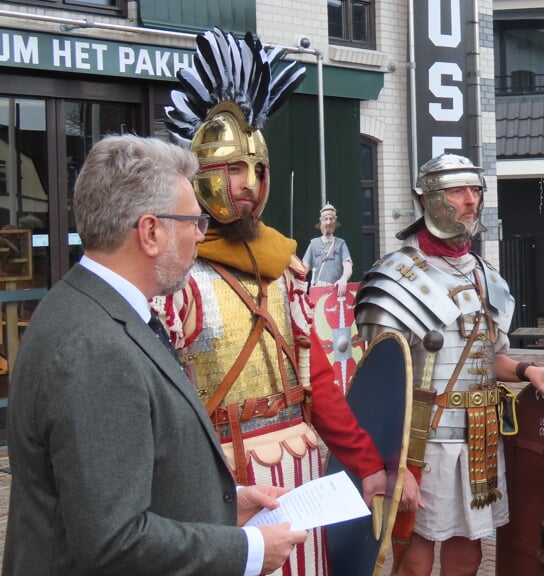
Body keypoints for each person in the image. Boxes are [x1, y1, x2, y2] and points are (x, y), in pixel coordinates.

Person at [158, 28, 415, 576]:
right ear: (198, 175)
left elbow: (318, 383)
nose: (248, 183)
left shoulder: (281, 271)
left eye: (257, 168)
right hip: (221, 479)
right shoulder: (174, 279)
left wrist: (366, 464)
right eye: (231, 168)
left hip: (300, 473)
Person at [3, 135, 307, 575]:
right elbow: (114, 540)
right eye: (193, 223)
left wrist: (223, 508)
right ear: (150, 231)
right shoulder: (96, 347)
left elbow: (127, 483)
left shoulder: (91, 307)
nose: (200, 236)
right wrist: (247, 550)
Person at [355, 153, 544, 576]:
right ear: (427, 199)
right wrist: (391, 463)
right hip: (423, 441)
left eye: (476, 190)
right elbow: (379, 387)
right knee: (413, 559)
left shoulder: (485, 275)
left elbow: (492, 358)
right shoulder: (394, 277)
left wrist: (527, 371)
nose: (471, 200)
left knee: (467, 556)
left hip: (481, 436)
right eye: (458, 191)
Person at [303, 202, 353, 293]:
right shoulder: (313, 244)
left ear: (335, 221)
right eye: (326, 219)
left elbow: (348, 267)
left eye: (331, 219)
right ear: (321, 221)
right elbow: (303, 269)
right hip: (318, 291)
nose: (328, 222)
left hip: (336, 290)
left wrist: (344, 278)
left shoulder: (341, 244)